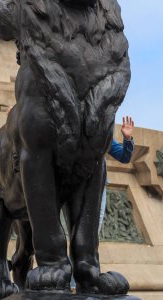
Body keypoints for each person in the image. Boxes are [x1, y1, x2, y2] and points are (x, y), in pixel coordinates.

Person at [70, 116, 134, 291]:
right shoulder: (68, 129)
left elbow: (124, 157)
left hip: (97, 188)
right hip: (72, 187)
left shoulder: (102, 135)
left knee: (91, 235)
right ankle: (73, 283)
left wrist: (127, 138)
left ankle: (79, 282)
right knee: (76, 236)